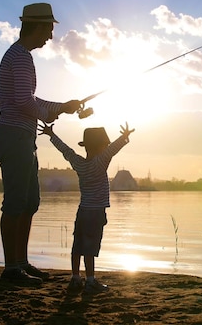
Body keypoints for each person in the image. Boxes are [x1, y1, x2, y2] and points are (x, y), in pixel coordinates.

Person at [0, 3, 81, 284]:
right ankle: (11, 270)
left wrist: (62, 107)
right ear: (38, 26)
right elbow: (23, 102)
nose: (51, 37)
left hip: (23, 137)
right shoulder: (19, 57)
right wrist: (54, 110)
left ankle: (20, 263)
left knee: (29, 203)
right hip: (14, 136)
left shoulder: (21, 56)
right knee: (16, 203)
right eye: (50, 29)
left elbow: (30, 101)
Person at [38, 121, 135, 293]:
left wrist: (52, 135)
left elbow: (66, 151)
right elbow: (113, 149)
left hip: (82, 211)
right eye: (104, 146)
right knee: (90, 247)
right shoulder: (100, 162)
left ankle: (75, 278)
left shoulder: (79, 163)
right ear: (101, 147)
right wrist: (124, 136)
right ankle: (90, 281)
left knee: (78, 245)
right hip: (96, 212)